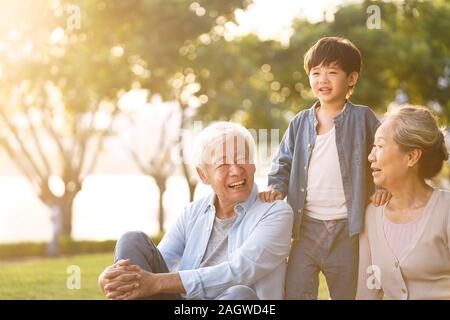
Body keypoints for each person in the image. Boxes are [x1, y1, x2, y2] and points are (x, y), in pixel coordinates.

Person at [98, 121, 294, 300]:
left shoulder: (276, 213)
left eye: (242, 159)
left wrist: (156, 283)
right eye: (223, 164)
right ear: (203, 175)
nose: (236, 170)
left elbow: (239, 271)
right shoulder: (192, 213)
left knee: (239, 294)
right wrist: (108, 280)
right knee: (132, 240)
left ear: (253, 166)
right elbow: (157, 264)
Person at [260, 36, 389, 299]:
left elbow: (382, 156)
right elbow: (283, 161)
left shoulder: (363, 118)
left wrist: (382, 187)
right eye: (316, 73)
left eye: (332, 72)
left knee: (347, 293)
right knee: (295, 291)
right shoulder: (299, 122)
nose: (323, 80)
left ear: (351, 78)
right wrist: (276, 186)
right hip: (305, 227)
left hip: (348, 228)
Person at [357, 106, 450, 300]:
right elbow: (367, 292)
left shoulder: (446, 209)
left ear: (411, 156)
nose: (370, 156)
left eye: (380, 146)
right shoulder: (372, 215)